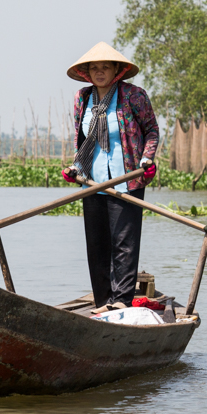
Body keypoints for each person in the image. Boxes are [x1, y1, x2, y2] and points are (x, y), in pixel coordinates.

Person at [60, 42, 159, 311]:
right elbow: (81, 139)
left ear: (117, 70)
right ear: (87, 73)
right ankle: (104, 302)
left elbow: (151, 130)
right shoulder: (83, 98)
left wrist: (147, 159)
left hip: (127, 180)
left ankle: (121, 301)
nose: (100, 72)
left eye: (105, 67)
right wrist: (76, 168)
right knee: (97, 245)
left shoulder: (133, 96)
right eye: (95, 68)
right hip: (93, 183)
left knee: (124, 244)